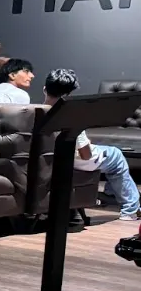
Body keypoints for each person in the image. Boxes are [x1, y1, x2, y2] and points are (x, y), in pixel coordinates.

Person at [45, 68, 139, 222]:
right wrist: (88, 144)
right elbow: (86, 155)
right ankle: (131, 210)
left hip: (54, 161)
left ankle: (111, 194)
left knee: (111, 156)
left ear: (44, 89)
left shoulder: (34, 112)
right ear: (69, 94)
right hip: (78, 161)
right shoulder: (71, 116)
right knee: (116, 155)